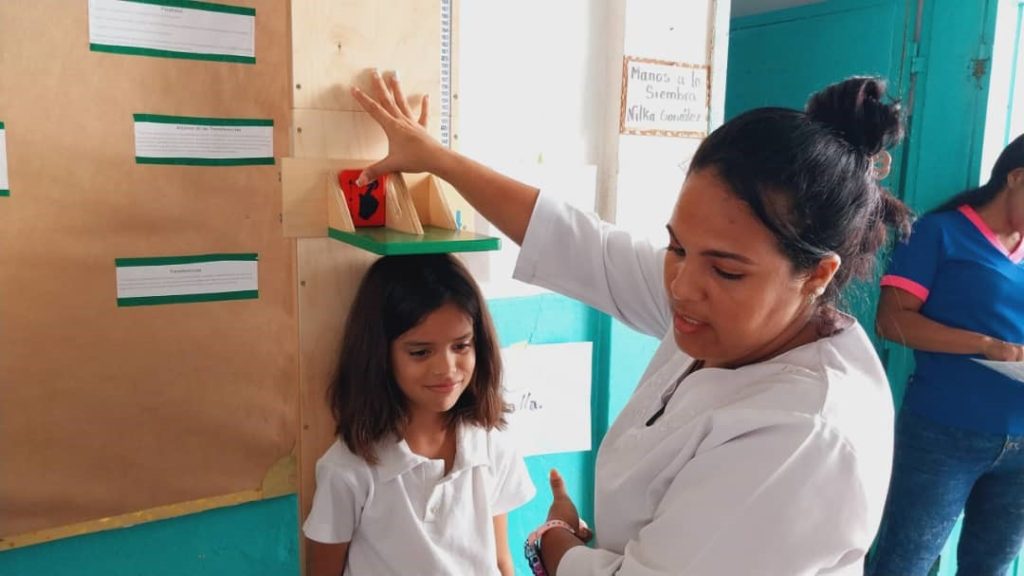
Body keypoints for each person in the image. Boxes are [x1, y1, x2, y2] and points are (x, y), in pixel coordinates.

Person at [352, 72, 911, 575]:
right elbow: (581, 245)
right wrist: (438, 160)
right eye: (677, 246)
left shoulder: (802, 435)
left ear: (816, 274)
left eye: (725, 268)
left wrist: (554, 542)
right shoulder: (735, 316)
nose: (683, 287)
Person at [302, 254, 536, 576]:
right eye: (421, 352)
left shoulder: (492, 447)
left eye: (461, 346)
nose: (446, 369)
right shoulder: (348, 469)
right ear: (379, 353)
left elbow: (499, 561)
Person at [867, 134, 1024, 576]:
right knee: (905, 562)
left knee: (989, 567)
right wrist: (988, 346)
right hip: (943, 436)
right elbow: (892, 321)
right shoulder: (939, 234)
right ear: (1016, 177)